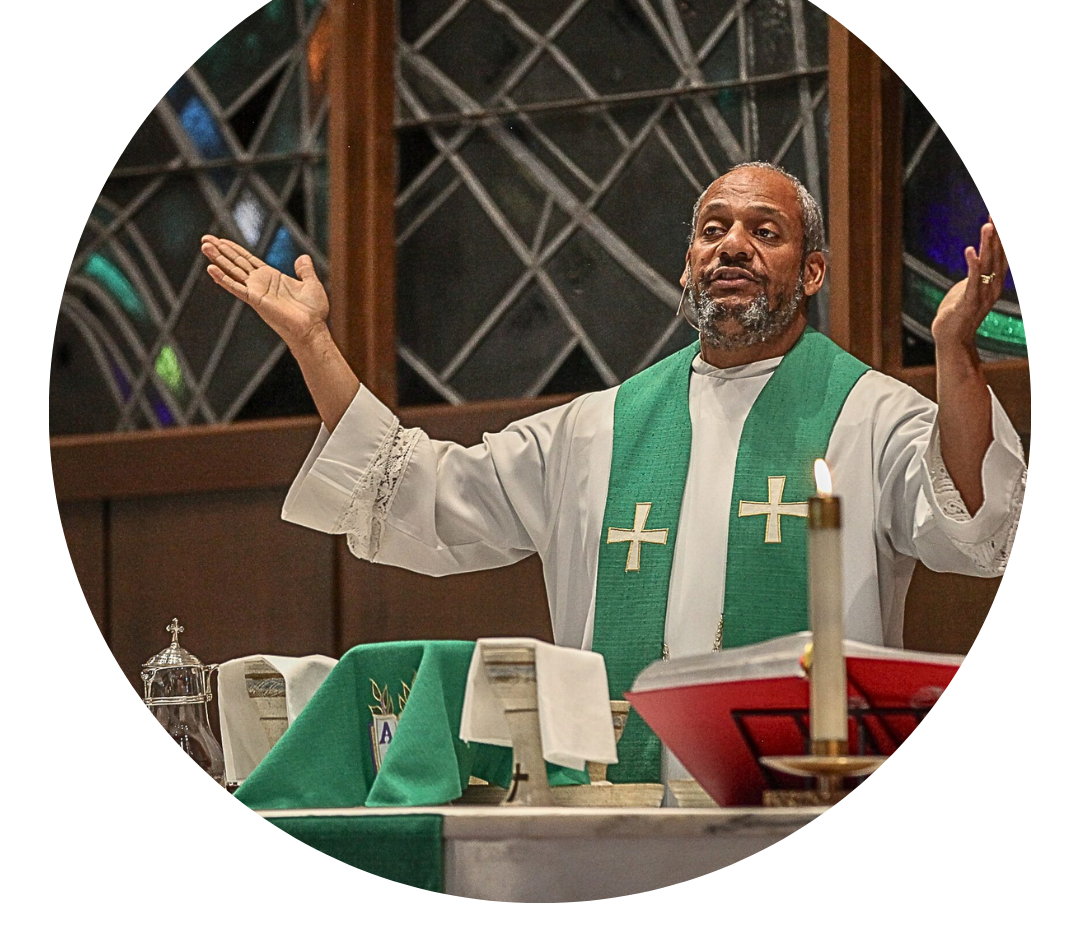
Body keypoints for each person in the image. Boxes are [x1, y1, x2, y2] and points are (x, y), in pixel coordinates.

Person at [201, 162, 1026, 780]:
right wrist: (313, 343)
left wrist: (954, 350)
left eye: (764, 231)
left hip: (807, 793)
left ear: (811, 272)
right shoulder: (595, 431)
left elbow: (972, 526)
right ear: (686, 267)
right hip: (619, 804)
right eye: (712, 229)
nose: (731, 245)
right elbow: (418, 489)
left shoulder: (871, 413)